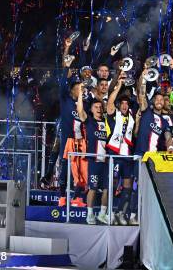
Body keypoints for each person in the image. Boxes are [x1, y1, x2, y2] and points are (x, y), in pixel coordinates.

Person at [55, 37, 87, 208]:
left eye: (81, 86)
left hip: (80, 141)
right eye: (78, 87)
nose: (80, 88)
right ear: (73, 88)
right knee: (65, 168)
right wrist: (67, 64)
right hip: (67, 140)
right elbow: (62, 81)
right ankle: (61, 196)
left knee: (81, 169)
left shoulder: (85, 103)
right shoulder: (65, 99)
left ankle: (78, 197)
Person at [106, 73, 136, 225]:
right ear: (119, 105)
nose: (125, 106)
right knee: (112, 184)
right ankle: (108, 212)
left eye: (127, 104)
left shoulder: (131, 115)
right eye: (122, 103)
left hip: (127, 156)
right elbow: (109, 103)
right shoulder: (114, 114)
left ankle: (119, 212)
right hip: (115, 154)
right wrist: (118, 87)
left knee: (128, 187)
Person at [77, 95, 110, 225]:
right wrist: (80, 92)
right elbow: (80, 110)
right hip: (94, 161)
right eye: (96, 107)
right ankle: (89, 214)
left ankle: (102, 214)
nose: (99, 109)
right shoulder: (89, 122)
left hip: (107, 162)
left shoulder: (107, 123)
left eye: (100, 107)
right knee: (93, 188)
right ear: (91, 109)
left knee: (107, 188)